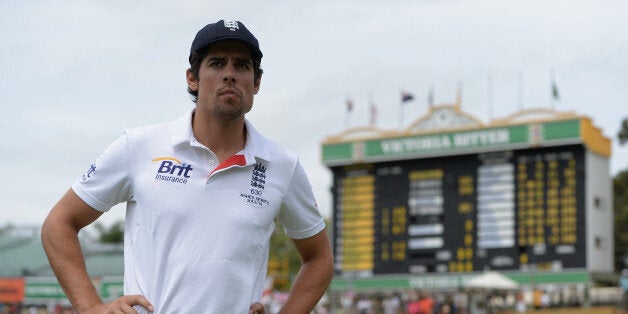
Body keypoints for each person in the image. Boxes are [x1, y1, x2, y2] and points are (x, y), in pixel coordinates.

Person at [41, 19, 334, 313]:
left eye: (242, 66)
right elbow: (59, 223)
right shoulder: (139, 146)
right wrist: (90, 306)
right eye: (217, 63)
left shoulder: (283, 165)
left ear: (256, 83)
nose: (230, 74)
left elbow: (319, 258)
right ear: (192, 78)